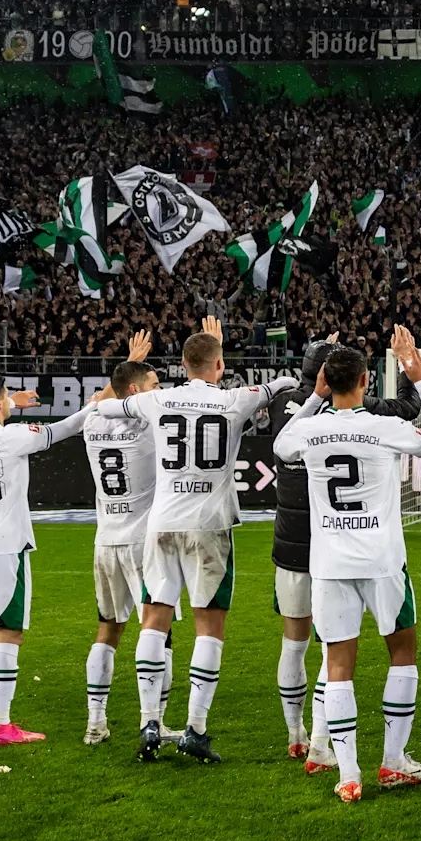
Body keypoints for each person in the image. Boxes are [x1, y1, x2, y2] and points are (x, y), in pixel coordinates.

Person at [92, 316, 297, 763]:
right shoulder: (235, 400)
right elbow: (282, 383)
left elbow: (105, 408)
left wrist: (124, 389)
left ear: (182, 365)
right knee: (210, 625)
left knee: (154, 618)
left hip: (161, 524)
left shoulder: (157, 399)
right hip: (209, 525)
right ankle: (195, 729)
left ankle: (149, 722)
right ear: (218, 365)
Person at [272, 335, 421, 803]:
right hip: (383, 561)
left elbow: (281, 445)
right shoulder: (384, 426)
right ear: (367, 381)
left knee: (338, 666)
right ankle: (393, 762)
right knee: (402, 655)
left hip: (329, 565)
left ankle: (348, 774)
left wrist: (313, 398)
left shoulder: (308, 431)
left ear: (327, 381)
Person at [0, 373, 95, 745]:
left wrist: (10, 405)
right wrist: (95, 404)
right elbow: (66, 427)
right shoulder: (12, 438)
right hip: (3, 546)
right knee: (7, 632)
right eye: (5, 396)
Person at [80, 334, 161, 745]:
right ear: (134, 392)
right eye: (153, 386)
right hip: (143, 542)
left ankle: (96, 722)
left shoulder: (92, 421)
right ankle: (154, 721)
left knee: (107, 630)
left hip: (105, 540)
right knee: (158, 630)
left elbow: (99, 398)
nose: (158, 393)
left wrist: (128, 364)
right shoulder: (150, 426)